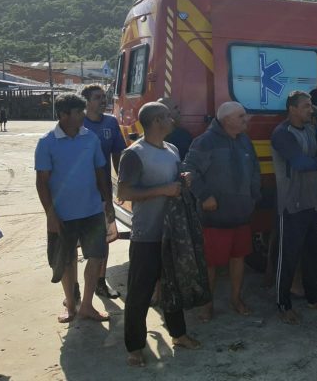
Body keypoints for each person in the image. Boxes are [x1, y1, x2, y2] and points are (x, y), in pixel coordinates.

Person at [117, 101, 200, 367]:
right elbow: (124, 193)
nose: (172, 119)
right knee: (139, 293)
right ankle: (135, 347)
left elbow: (174, 181)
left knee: (172, 287)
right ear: (155, 122)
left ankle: (179, 334)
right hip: (147, 235)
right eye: (166, 116)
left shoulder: (172, 149)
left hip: (171, 233)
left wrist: (183, 180)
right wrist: (163, 190)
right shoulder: (134, 154)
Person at [34, 93, 111, 324]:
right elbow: (42, 182)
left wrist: (108, 203)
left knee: (96, 257)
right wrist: (50, 214)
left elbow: (100, 172)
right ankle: (70, 304)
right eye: (78, 112)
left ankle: (87, 305)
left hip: (92, 211)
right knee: (66, 260)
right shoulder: (47, 142)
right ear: (63, 115)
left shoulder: (91, 138)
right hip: (63, 215)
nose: (83, 116)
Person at [184, 101, 261, 320]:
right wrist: (204, 195)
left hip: (241, 214)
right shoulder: (205, 142)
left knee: (238, 258)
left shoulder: (245, 141)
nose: (246, 120)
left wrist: (254, 196)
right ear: (226, 120)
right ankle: (207, 305)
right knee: (210, 263)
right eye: (241, 116)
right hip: (214, 217)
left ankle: (236, 299)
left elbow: (255, 170)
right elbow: (188, 170)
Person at [271, 90, 317, 324]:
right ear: (293, 109)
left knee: (314, 254)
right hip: (292, 204)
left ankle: (314, 297)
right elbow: (300, 163)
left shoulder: (311, 129)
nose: (311, 109)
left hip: (313, 202)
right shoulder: (282, 134)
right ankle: (283, 304)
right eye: (306, 106)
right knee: (288, 257)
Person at [81, 84, 126, 299]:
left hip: (103, 191)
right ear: (86, 101)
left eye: (104, 97)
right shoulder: (77, 123)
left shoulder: (111, 122)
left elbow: (117, 154)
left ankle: (100, 281)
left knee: (103, 237)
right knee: (76, 240)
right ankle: (74, 289)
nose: (103, 101)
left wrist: (122, 183)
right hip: (79, 192)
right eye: (97, 97)